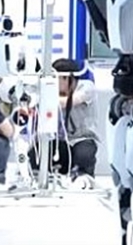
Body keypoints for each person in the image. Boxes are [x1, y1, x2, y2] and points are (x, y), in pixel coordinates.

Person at [28, 58, 99, 187]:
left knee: (84, 153)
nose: (53, 83)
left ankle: (84, 178)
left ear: (67, 78)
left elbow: (69, 102)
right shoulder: (50, 91)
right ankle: (38, 177)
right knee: (37, 151)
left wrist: (43, 97)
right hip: (59, 141)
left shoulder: (87, 87)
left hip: (82, 139)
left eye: (56, 79)